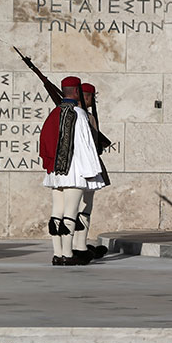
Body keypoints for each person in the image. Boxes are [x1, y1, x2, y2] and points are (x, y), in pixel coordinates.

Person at [39, 76, 107, 266]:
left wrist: (51, 166)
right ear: (77, 91)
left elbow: (44, 142)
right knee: (71, 212)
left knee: (56, 213)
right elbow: (86, 145)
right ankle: (68, 254)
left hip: (55, 172)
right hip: (75, 171)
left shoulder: (54, 113)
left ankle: (57, 254)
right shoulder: (79, 114)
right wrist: (92, 171)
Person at [71, 82, 110, 264]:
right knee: (85, 207)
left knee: (73, 208)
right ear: (86, 97)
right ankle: (79, 247)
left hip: (74, 168)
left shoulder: (70, 114)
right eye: (92, 97)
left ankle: (73, 246)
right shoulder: (86, 116)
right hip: (87, 167)